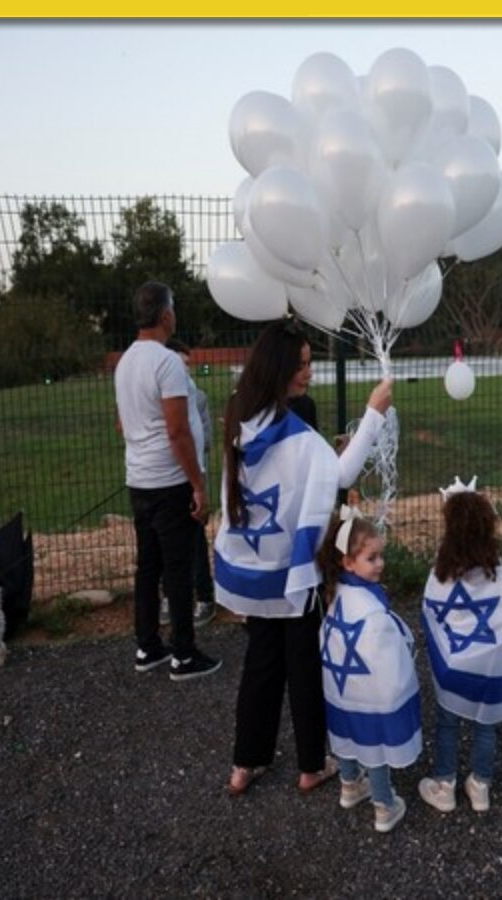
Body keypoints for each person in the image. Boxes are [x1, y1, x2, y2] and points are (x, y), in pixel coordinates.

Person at [215, 320, 392, 795]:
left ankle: (244, 762)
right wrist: (374, 414)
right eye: (303, 365)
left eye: (312, 364)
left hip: (255, 568)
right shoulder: (294, 431)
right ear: (280, 368)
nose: (309, 373)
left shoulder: (239, 416)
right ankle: (312, 764)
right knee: (303, 663)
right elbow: (340, 473)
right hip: (293, 570)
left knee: (261, 662)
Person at [113, 281, 222, 682]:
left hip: (139, 480)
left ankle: (148, 646)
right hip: (169, 481)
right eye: (173, 307)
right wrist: (197, 484)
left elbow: (122, 422)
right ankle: (183, 654)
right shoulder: (167, 362)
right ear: (164, 315)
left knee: (148, 566)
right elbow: (178, 431)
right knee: (177, 568)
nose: (175, 314)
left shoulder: (125, 362)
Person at [417, 477, 502, 815]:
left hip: (455, 669)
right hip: (488, 670)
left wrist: (452, 655)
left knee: (447, 723)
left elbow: (431, 612)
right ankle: (480, 786)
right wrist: (496, 653)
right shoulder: (497, 571)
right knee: (485, 725)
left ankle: (445, 784)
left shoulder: (441, 571)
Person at [316, 507, 419, 833]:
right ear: (348, 562)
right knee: (375, 747)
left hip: (342, 687)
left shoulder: (338, 596)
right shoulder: (370, 610)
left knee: (346, 735)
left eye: (380, 556)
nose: (380, 564)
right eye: (371, 558)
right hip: (369, 690)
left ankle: (350, 785)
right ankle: (384, 805)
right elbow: (386, 654)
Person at [158, 338, 216, 629]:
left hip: (192, 475)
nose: (183, 370)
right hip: (165, 479)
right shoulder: (160, 396)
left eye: (186, 365)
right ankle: (169, 596)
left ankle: (205, 597)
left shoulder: (199, 397)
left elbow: (205, 439)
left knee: (194, 540)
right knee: (166, 541)